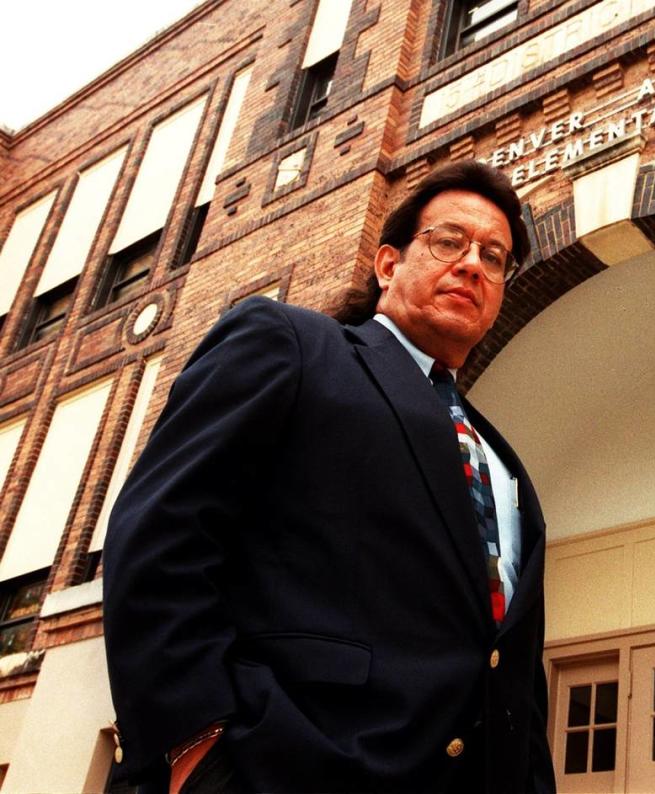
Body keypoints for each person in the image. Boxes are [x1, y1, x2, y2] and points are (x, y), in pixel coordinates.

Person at [103, 160, 556, 794]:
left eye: (494, 256)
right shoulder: (289, 343)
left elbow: (512, 673)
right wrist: (199, 753)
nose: (473, 265)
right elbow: (159, 538)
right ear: (388, 265)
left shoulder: (505, 465)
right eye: (449, 241)